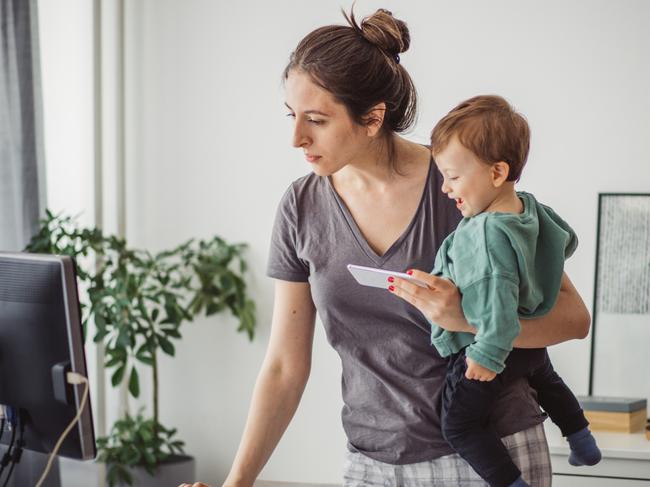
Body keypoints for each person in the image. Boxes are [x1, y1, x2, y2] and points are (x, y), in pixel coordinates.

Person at [180, 8, 590, 487]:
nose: (297, 138)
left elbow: (573, 319)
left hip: (488, 456)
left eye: (316, 120)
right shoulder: (301, 206)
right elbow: (285, 368)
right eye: (292, 116)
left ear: (373, 117)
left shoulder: (461, 186)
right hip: (370, 463)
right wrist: (237, 483)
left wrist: (465, 319)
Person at [408, 94, 601, 487]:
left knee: (459, 426)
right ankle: (583, 442)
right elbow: (566, 242)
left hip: (492, 349)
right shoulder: (529, 208)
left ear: (497, 172)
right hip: (530, 343)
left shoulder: (482, 233)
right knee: (547, 380)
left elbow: (495, 298)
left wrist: (486, 354)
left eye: (453, 176)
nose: (445, 188)